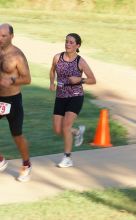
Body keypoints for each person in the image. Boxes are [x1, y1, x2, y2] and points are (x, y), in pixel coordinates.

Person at [49, 33, 96, 168]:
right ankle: (77, 132)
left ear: (77, 45)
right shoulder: (57, 57)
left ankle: (67, 158)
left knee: (66, 127)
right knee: (58, 130)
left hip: (75, 96)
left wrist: (80, 80)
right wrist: (52, 83)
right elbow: (52, 70)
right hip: (60, 96)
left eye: (71, 42)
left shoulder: (80, 62)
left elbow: (93, 79)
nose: (67, 44)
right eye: (66, 42)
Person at [0, 23, 31, 182]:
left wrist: (11, 79)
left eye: (4, 36)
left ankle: (26, 164)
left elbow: (27, 79)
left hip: (12, 100)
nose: (0, 38)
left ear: (11, 36)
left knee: (17, 135)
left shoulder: (17, 55)